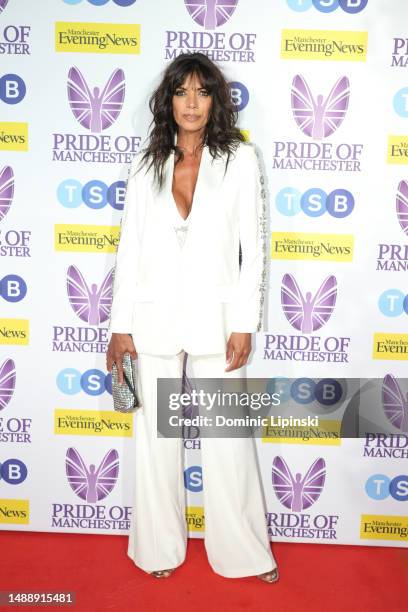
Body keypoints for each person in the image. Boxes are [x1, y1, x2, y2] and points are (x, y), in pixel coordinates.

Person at [106, 52, 278, 583]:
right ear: (170, 100)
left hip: (218, 319)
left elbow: (256, 248)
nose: (192, 103)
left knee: (227, 442)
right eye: (183, 92)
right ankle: (158, 549)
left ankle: (245, 552)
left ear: (215, 101)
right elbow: (129, 248)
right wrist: (120, 325)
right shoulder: (145, 164)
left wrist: (244, 320)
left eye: (202, 92)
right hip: (153, 318)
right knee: (156, 443)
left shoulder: (241, 160)